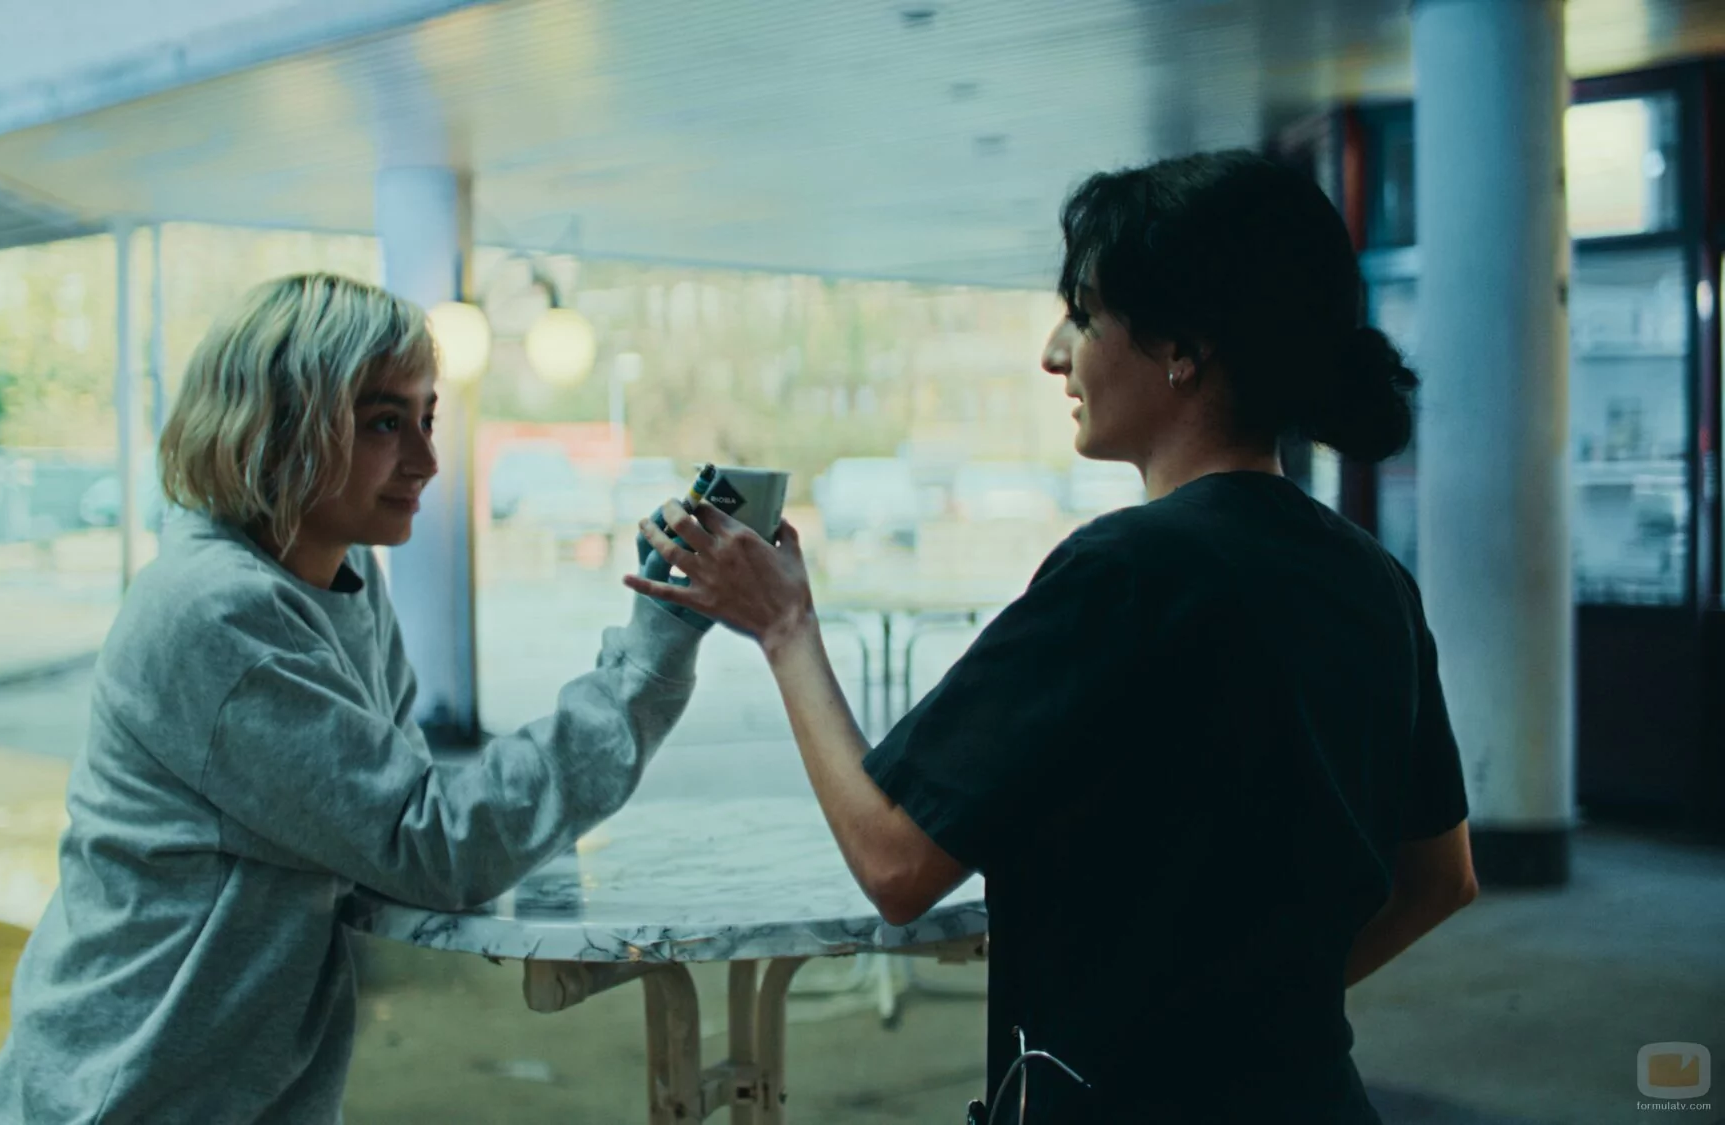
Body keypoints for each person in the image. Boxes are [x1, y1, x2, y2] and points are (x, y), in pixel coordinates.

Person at [629, 151, 1477, 1124]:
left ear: (1181, 347)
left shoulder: (1127, 573)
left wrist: (784, 625)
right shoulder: (1373, 581)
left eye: (1082, 314)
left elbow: (894, 862)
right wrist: (1256, 1011)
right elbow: (1441, 879)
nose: (1052, 351)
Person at [0, 273, 709, 1124]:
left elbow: (391, 819)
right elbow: (429, 843)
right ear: (278, 427)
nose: (425, 460)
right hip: (121, 1095)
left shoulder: (340, 576)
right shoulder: (216, 611)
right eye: (385, 422)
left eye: (427, 419)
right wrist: (648, 661)